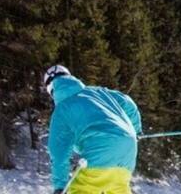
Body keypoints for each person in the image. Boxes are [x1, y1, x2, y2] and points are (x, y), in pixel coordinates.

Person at [44, 65, 142, 194]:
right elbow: (128, 103)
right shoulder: (99, 92)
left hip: (100, 149)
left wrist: (60, 186)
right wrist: (136, 131)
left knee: (80, 189)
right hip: (128, 150)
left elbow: (59, 152)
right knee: (117, 186)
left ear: (51, 90)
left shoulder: (62, 109)